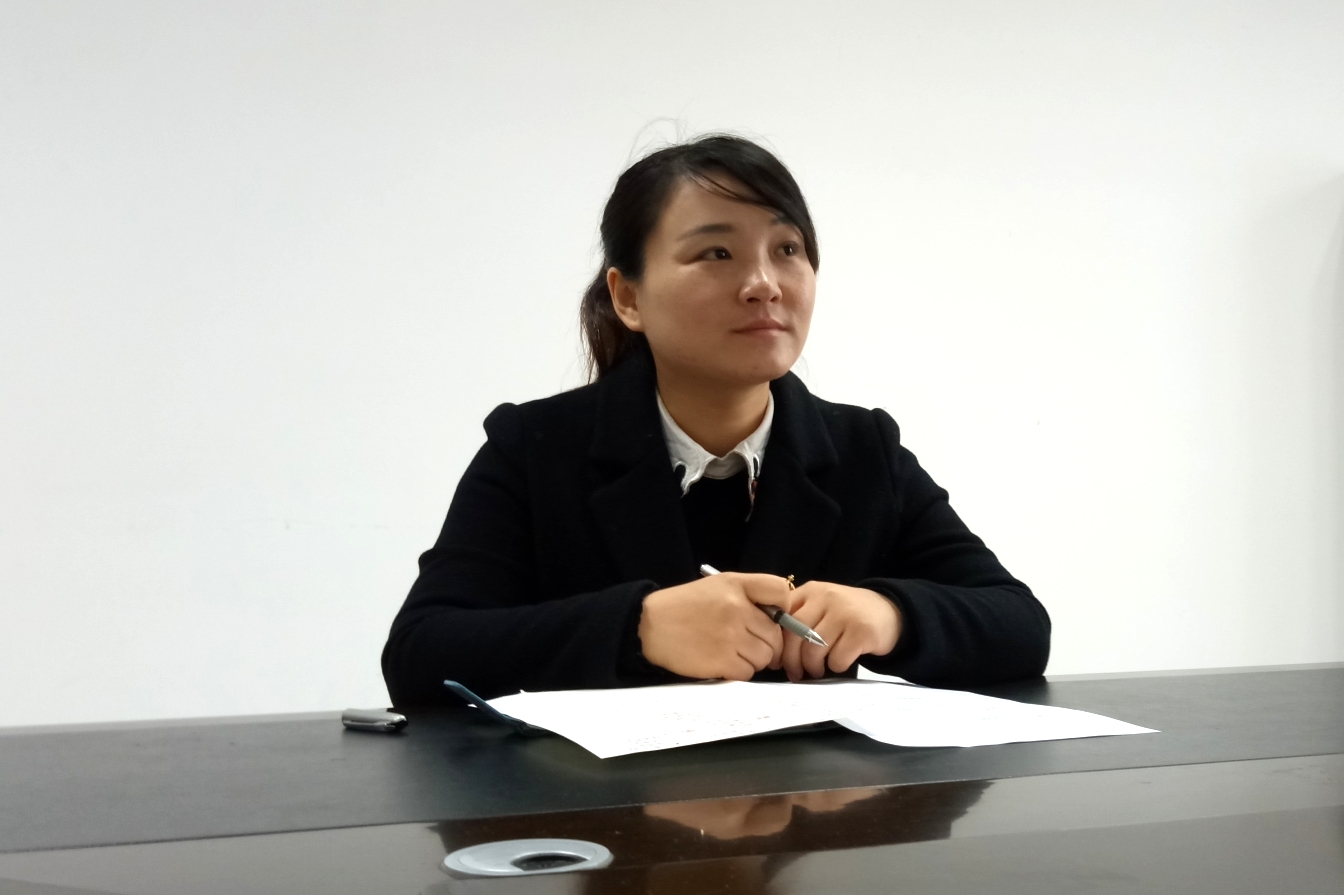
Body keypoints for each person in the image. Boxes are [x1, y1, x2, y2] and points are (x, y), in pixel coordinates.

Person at [382, 135, 1049, 705]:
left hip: (810, 813)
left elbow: (1020, 625)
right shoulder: (535, 447)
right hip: (602, 811)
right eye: (717, 254)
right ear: (628, 296)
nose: (765, 284)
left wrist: (891, 614)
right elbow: (420, 653)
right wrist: (637, 627)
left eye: (787, 249)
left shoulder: (862, 449)